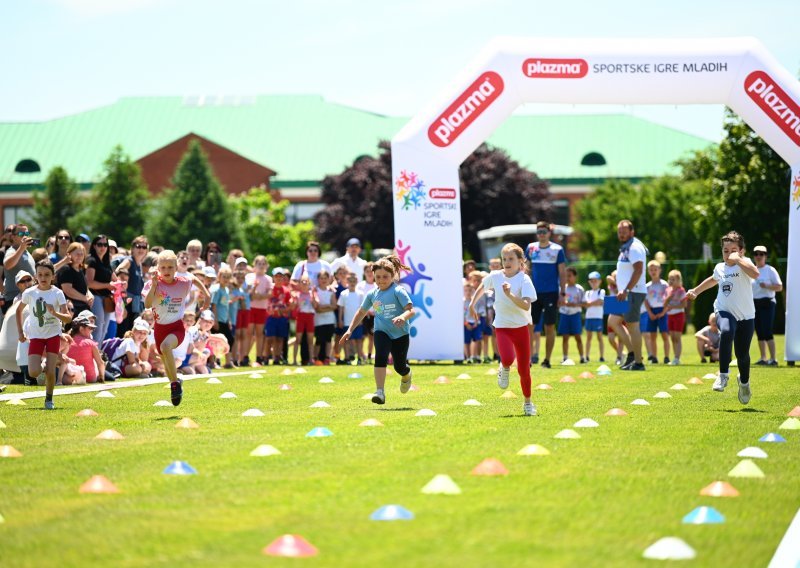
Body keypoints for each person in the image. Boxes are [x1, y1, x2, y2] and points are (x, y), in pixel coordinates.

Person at [686, 231, 759, 404]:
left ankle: (744, 383)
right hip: (723, 310)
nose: (728, 254)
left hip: (746, 316)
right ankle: (723, 375)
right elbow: (713, 280)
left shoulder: (745, 262)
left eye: (733, 250)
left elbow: (755, 274)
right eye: (725, 251)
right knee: (726, 330)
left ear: (741, 251)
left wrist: (738, 260)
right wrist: (695, 291)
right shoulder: (720, 268)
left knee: (743, 356)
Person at [470, 243, 537, 416]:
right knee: (507, 358)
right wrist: (472, 304)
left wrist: (509, 295)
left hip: (521, 327)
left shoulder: (524, 279)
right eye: (504, 259)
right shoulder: (496, 276)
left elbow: (525, 305)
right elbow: (482, 287)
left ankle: (528, 402)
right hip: (502, 326)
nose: (506, 262)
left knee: (524, 370)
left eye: (511, 259)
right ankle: (504, 367)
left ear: (520, 262)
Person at [341, 254, 415, 406]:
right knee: (380, 356)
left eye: (385, 277)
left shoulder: (398, 291)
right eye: (378, 277)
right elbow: (361, 312)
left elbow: (411, 310)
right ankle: (379, 392)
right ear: (373, 276)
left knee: (399, 366)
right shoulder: (372, 294)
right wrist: (349, 330)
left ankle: (406, 374)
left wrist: (402, 317)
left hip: (400, 334)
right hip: (381, 331)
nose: (381, 280)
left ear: (393, 275)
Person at [144, 250, 211, 406]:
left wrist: (207, 295)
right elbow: (147, 305)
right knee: (166, 365)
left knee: (166, 346)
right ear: (158, 269)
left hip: (176, 327)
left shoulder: (182, 282)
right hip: (159, 329)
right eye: (163, 268)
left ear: (176, 267)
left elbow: (193, 278)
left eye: (170, 267)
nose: (167, 271)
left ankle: (174, 385)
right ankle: (176, 381)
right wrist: (154, 286)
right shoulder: (153, 283)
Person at [16, 259, 71, 409]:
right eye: (40, 274)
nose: (43, 277)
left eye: (47, 274)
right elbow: (18, 310)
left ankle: (49, 399)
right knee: (33, 372)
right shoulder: (30, 293)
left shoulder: (57, 293)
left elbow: (68, 317)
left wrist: (55, 313)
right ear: (35, 276)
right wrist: (21, 332)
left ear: (53, 276)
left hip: (53, 335)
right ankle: (44, 367)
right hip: (36, 337)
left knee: (51, 370)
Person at [525, 221, 566, 369]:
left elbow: (562, 273)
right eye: (539, 231)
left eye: (544, 231)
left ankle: (547, 360)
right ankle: (528, 358)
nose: (541, 234)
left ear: (549, 233)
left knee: (549, 327)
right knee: (530, 326)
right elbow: (526, 270)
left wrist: (563, 293)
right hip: (533, 294)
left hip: (551, 293)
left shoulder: (557, 249)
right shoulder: (531, 248)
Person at [608, 220, 647, 371]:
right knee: (613, 320)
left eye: (624, 230)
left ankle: (638, 362)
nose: (621, 233)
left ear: (632, 232)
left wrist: (626, 290)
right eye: (619, 231)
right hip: (623, 292)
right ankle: (632, 353)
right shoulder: (626, 247)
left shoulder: (634, 247)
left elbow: (638, 270)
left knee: (633, 326)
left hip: (632, 292)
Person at [751, 245, 783, 366]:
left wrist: (767, 286)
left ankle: (773, 359)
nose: (758, 256)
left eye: (761, 254)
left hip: (767, 303)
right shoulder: (751, 270)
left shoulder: (770, 270)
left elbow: (779, 287)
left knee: (767, 330)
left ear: (766, 256)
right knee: (759, 331)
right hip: (755, 303)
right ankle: (763, 358)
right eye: (756, 254)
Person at [86, 235, 121, 342]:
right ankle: (93, 356)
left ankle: (98, 355)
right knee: (97, 328)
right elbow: (90, 283)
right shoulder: (91, 260)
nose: (103, 247)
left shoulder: (106, 263)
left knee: (104, 330)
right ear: (94, 246)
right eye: (100, 244)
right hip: (95, 297)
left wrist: (121, 284)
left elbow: (115, 280)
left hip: (106, 298)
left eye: (105, 245)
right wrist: (107, 285)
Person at [3, 223, 37, 315]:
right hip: (14, 299)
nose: (25, 236)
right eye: (21, 234)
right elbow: (8, 265)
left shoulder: (26, 252)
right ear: (13, 237)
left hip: (27, 298)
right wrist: (22, 248)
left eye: (27, 233)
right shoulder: (12, 250)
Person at [641, 260, 670, 365]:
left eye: (655, 269)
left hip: (662, 310)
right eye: (651, 270)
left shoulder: (664, 284)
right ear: (648, 271)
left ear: (660, 270)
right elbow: (646, 301)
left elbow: (668, 299)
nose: (653, 272)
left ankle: (666, 357)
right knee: (652, 336)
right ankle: (654, 357)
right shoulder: (647, 286)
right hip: (652, 312)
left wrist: (663, 312)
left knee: (664, 335)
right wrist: (650, 313)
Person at [246, 255, 272, 366]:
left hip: (261, 309)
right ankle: (244, 356)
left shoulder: (268, 278)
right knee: (249, 333)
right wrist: (257, 295)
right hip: (250, 308)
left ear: (266, 266)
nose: (261, 266)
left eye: (263, 264)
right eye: (259, 263)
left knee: (259, 334)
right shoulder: (249, 277)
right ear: (254, 265)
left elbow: (269, 293)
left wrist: (259, 296)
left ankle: (259, 357)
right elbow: (249, 293)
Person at [67, 312, 105, 384]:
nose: (92, 330)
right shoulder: (90, 343)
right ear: (81, 329)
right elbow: (100, 363)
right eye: (90, 328)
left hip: (72, 377)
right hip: (91, 378)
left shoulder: (67, 341)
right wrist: (101, 378)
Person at [56, 242, 93, 316]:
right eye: (77, 254)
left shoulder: (80, 270)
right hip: (71, 309)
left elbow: (85, 287)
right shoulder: (66, 269)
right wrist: (85, 298)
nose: (79, 256)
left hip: (82, 307)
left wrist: (90, 296)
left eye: (82, 254)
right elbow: (67, 290)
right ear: (69, 254)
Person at [264, 268, 291, 364]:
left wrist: (282, 310)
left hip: (282, 318)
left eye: (280, 277)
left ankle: (277, 357)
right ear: (273, 278)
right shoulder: (270, 290)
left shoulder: (287, 291)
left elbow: (289, 305)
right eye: (276, 276)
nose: (278, 279)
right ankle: (266, 357)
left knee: (280, 339)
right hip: (271, 317)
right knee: (269, 338)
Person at [210, 266, 235, 368]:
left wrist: (228, 320)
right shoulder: (217, 290)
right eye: (224, 277)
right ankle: (212, 362)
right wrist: (215, 320)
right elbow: (214, 305)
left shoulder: (226, 290)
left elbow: (226, 306)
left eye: (228, 277)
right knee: (214, 341)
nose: (226, 279)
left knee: (229, 340)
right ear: (219, 276)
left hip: (224, 319)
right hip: (217, 319)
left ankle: (228, 362)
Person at [558, 266, 585, 363]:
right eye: (565, 276)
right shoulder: (562, 288)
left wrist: (575, 305)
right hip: (564, 314)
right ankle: (565, 357)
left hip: (575, 314)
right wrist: (561, 303)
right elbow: (558, 302)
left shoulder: (579, 289)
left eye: (569, 276)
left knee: (578, 337)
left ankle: (582, 357)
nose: (567, 278)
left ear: (575, 277)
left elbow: (584, 303)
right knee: (565, 337)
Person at [338, 272, 365, 363]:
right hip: (346, 322)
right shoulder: (343, 294)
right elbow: (341, 308)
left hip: (358, 322)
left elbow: (363, 309)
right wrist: (340, 320)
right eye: (350, 281)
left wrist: (361, 319)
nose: (352, 283)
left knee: (359, 340)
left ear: (357, 281)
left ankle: (359, 358)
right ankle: (347, 357)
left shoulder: (360, 294)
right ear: (347, 281)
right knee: (347, 340)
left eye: (354, 281)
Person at [312, 270, 337, 364]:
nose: (323, 280)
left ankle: (327, 358)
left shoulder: (331, 291)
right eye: (321, 278)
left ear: (328, 279)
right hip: (319, 320)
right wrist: (328, 306)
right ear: (318, 279)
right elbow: (316, 307)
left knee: (328, 339)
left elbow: (334, 306)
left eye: (325, 278)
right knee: (318, 340)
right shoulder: (315, 290)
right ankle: (315, 357)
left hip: (330, 320)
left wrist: (324, 307)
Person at [664, 269, 687, 365]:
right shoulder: (667, 290)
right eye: (669, 279)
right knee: (672, 337)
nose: (670, 281)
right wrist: (668, 298)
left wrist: (673, 306)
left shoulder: (681, 291)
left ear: (678, 280)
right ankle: (675, 358)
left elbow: (684, 304)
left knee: (677, 337)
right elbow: (664, 304)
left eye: (673, 279)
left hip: (679, 315)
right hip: (670, 316)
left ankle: (677, 358)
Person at [292, 276, 316, 365]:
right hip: (301, 316)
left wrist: (313, 295)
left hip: (310, 316)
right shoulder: (297, 294)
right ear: (300, 284)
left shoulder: (312, 293)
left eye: (306, 282)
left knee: (310, 339)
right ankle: (294, 360)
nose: (304, 283)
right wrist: (293, 300)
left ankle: (311, 359)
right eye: (302, 282)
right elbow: (293, 306)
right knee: (298, 339)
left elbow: (316, 305)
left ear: (309, 283)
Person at [583, 271, 605, 363]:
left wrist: (590, 304)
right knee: (588, 337)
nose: (594, 282)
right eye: (592, 281)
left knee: (599, 337)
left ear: (600, 281)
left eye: (595, 280)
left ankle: (601, 356)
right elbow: (585, 304)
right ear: (589, 282)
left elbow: (600, 302)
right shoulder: (587, 292)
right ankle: (586, 356)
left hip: (598, 317)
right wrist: (593, 303)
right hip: (589, 317)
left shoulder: (601, 291)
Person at [356, 262, 377, 361]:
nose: (369, 273)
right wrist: (366, 311)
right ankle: (360, 356)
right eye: (367, 271)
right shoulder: (360, 286)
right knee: (362, 337)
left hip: (374, 316)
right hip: (363, 316)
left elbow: (379, 301)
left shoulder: (377, 285)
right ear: (364, 272)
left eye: (371, 271)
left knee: (372, 337)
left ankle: (369, 356)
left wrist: (376, 311)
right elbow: (358, 300)